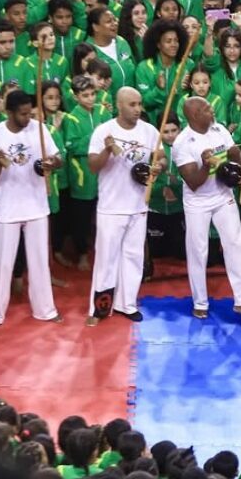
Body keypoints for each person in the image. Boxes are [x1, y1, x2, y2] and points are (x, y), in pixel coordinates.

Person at [0, 90, 63, 327]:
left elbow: (58, 159)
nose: (28, 118)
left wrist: (51, 163)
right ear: (9, 112)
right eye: (23, 114)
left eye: (30, 113)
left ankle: (45, 309)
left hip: (36, 204)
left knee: (39, 262)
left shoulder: (39, 128)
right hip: (7, 207)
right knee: (3, 263)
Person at [172, 96, 241, 324]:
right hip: (197, 202)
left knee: (234, 244)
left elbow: (232, 152)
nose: (213, 111)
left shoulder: (219, 129)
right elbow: (193, 182)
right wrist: (206, 166)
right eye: (207, 109)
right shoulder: (183, 143)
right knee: (198, 251)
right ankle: (200, 302)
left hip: (223, 196)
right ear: (194, 116)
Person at [85, 88, 160, 327]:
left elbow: (160, 158)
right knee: (106, 259)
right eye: (132, 104)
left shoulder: (149, 131)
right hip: (111, 206)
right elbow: (93, 166)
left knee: (134, 257)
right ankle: (99, 307)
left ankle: (127, 303)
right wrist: (108, 149)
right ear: (119, 105)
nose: (137, 109)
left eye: (139, 104)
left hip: (138, 205)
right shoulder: (103, 131)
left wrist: (158, 166)